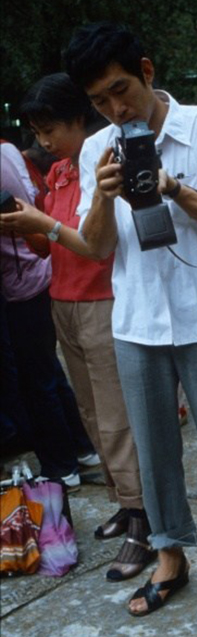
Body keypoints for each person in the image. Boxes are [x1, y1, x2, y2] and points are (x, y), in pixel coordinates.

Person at [64, 21, 197, 616]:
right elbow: (97, 247)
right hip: (136, 319)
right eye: (99, 100)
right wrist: (103, 194)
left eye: (121, 89)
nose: (115, 107)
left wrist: (171, 184)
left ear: (148, 72)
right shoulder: (92, 149)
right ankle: (170, 555)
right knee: (154, 447)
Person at [1, 73, 154, 579]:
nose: (44, 142)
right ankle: (122, 501)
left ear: (76, 119)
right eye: (38, 133)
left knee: (116, 418)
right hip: (62, 301)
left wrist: (44, 226)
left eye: (51, 130)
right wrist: (29, 225)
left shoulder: (100, 160)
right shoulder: (61, 171)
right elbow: (51, 244)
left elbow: (94, 238)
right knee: (90, 414)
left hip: (102, 301)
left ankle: (143, 519)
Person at [0, 140, 94, 486]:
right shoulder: (8, 150)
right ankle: (82, 448)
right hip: (35, 273)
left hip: (24, 277)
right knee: (48, 373)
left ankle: (60, 466)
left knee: (35, 381)